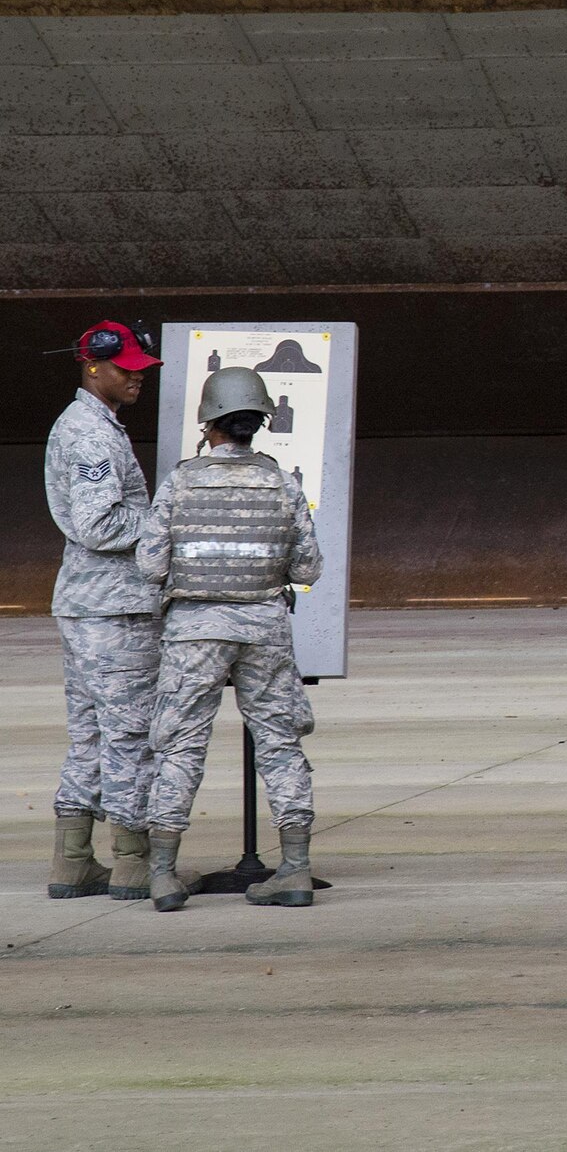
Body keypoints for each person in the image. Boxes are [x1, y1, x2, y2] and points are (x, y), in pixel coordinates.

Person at [137, 367, 323, 912]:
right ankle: (294, 868)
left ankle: (164, 875)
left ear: (209, 422)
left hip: (193, 633)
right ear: (257, 422)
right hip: (264, 630)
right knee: (280, 744)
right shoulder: (282, 482)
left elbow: (150, 565)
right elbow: (308, 565)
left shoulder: (181, 481)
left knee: (181, 747)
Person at [42, 321, 165, 900]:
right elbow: (98, 524)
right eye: (127, 369)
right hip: (113, 609)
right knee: (130, 734)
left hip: (87, 604)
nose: (138, 377)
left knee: (89, 734)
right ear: (93, 365)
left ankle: (72, 861)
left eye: (141, 368)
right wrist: (165, 523)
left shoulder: (94, 426)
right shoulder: (91, 435)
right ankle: (133, 861)